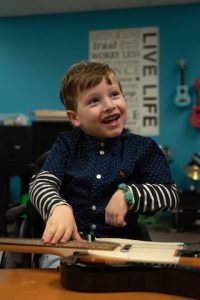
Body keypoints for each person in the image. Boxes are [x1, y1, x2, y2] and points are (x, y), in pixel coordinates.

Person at [29, 60, 179, 268]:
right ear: (74, 118)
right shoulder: (67, 144)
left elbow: (169, 194)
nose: (109, 105)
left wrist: (130, 195)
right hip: (69, 247)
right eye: (94, 101)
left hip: (124, 249)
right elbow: (40, 184)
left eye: (114, 94)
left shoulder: (142, 148)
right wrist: (58, 207)